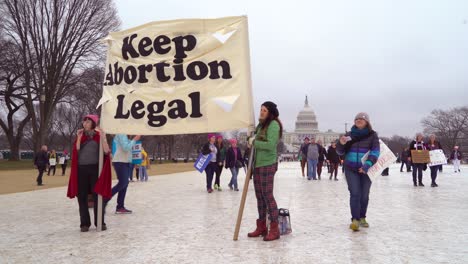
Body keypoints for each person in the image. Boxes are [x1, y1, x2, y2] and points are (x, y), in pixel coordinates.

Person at [67, 114, 112, 232]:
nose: (85, 124)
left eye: (87, 122)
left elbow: (106, 151)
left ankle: (100, 222)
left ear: (93, 123)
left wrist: (103, 137)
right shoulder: (81, 136)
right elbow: (76, 151)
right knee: (81, 196)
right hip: (81, 170)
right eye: (84, 122)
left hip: (95, 170)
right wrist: (79, 137)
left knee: (98, 196)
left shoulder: (98, 136)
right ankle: (84, 223)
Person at [336, 112, 380, 232]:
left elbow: (375, 152)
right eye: (357, 119)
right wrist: (341, 144)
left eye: (362, 119)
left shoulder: (372, 135)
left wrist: (367, 165)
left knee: (364, 195)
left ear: (367, 122)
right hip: (351, 168)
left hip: (366, 169)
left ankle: (362, 217)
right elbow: (340, 152)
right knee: (355, 193)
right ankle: (355, 219)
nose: (359, 120)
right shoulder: (349, 135)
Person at [247, 101, 282, 241]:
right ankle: (262, 226)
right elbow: (254, 141)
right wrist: (250, 137)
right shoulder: (261, 125)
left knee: (267, 196)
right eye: (261, 109)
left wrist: (254, 142)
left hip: (268, 163)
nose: (261, 112)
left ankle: (275, 228)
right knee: (259, 197)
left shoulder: (273, 125)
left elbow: (271, 144)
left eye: (264, 110)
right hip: (257, 164)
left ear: (270, 112)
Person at [109, 134, 141, 214]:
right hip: (120, 161)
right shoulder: (121, 133)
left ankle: (120, 207)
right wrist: (135, 139)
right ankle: (104, 199)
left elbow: (128, 150)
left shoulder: (126, 136)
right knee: (123, 183)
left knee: (124, 184)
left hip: (125, 162)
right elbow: (126, 148)